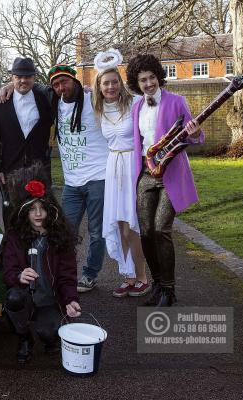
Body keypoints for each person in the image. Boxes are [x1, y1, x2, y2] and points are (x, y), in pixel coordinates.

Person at [126, 54, 203, 306]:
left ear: (159, 77)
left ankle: (169, 290)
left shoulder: (177, 102)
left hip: (171, 174)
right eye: (142, 80)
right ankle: (158, 285)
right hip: (146, 174)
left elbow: (194, 138)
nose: (148, 83)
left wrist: (196, 132)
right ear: (137, 84)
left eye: (151, 78)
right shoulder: (136, 107)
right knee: (146, 232)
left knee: (161, 228)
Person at [2, 165, 81, 364]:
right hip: (26, 298)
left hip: (49, 299)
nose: (38, 214)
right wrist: (19, 276)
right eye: (32, 209)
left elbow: (67, 275)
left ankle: (46, 329)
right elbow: (8, 270)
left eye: (42, 208)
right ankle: (24, 337)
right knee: (13, 298)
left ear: (50, 209)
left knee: (51, 335)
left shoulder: (59, 238)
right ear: (24, 212)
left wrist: (71, 299)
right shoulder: (15, 237)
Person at [91, 49, 150, 298]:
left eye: (114, 81)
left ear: (121, 82)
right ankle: (127, 276)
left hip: (132, 165)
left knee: (131, 227)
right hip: (113, 168)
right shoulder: (98, 107)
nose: (111, 86)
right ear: (99, 86)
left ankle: (142, 277)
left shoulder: (136, 104)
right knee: (118, 225)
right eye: (106, 83)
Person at [47, 64, 109, 293]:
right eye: (56, 85)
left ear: (74, 80)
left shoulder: (95, 100)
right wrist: (8, 87)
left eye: (64, 82)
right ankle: (65, 274)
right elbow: (25, 87)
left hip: (98, 177)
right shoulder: (55, 103)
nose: (61, 88)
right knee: (65, 231)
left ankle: (90, 274)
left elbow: (120, 96)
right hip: (72, 182)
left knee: (96, 231)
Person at [0, 57, 53, 223]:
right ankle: (12, 248)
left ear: (34, 77)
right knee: (12, 216)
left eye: (27, 76)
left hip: (38, 169)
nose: (23, 80)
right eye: (18, 77)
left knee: (39, 215)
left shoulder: (44, 98)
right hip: (10, 170)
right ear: (12, 78)